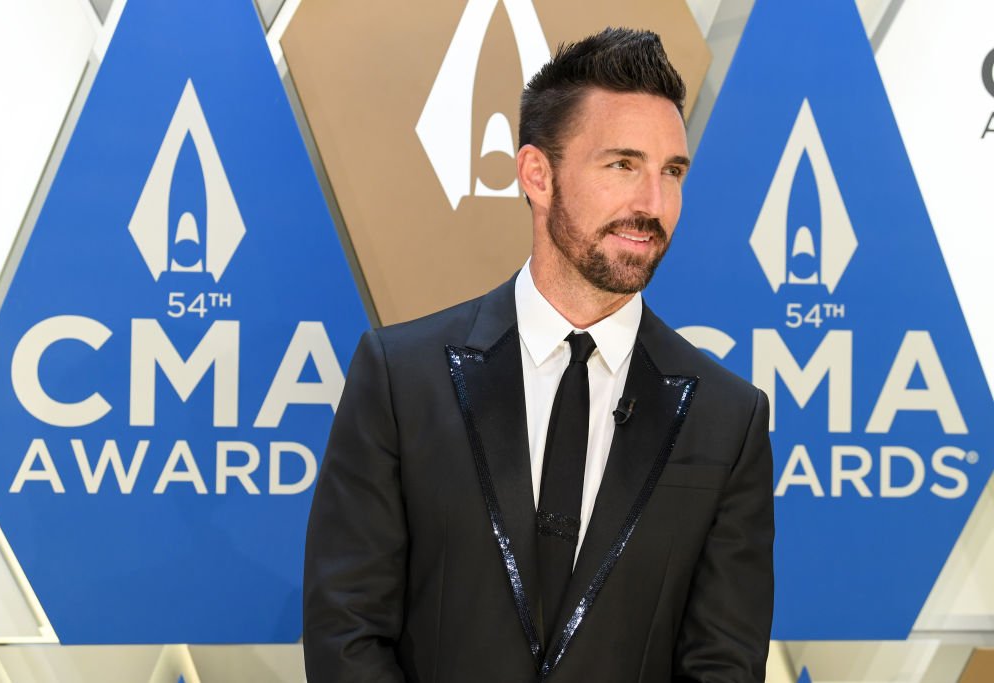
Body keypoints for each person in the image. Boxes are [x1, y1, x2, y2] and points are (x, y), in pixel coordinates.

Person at [303, 27, 773, 683]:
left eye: (671, 171)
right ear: (537, 174)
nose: (653, 203)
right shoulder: (401, 379)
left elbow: (724, 661)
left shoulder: (728, 418)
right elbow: (345, 632)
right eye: (622, 165)